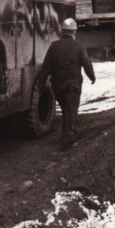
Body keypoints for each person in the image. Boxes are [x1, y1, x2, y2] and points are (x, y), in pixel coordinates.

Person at [39, 17, 95, 150]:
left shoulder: (54, 46)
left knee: (66, 110)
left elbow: (45, 68)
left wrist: (41, 85)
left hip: (58, 86)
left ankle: (68, 135)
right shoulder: (79, 46)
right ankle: (67, 142)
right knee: (71, 112)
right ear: (74, 32)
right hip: (73, 86)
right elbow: (87, 64)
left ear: (62, 31)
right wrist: (92, 77)